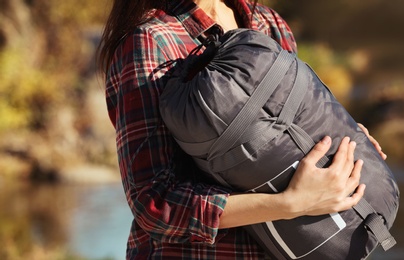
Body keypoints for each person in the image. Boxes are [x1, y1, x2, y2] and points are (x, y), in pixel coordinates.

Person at [97, 0, 387, 259]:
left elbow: (288, 128)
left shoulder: (267, 22)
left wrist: (343, 135)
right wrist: (289, 203)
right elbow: (154, 204)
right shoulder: (151, 41)